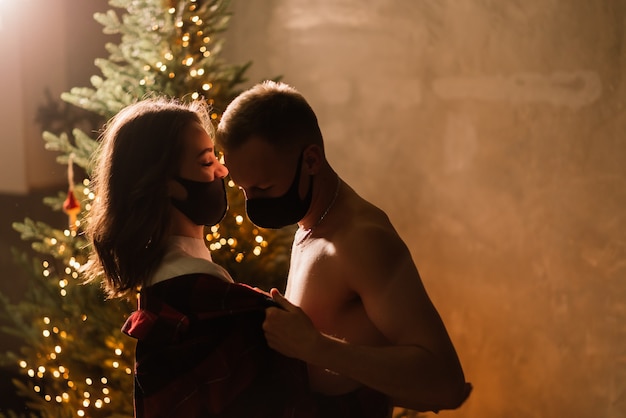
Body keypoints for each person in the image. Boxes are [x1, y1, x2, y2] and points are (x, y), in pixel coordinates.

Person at [216, 81, 472, 415]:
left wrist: (318, 348)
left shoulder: (361, 239)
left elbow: (446, 385)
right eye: (244, 189)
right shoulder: (311, 223)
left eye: (263, 186)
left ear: (311, 160)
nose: (253, 203)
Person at [82, 97, 325, 418]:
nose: (224, 170)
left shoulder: (160, 299)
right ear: (166, 185)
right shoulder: (231, 313)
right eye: (206, 162)